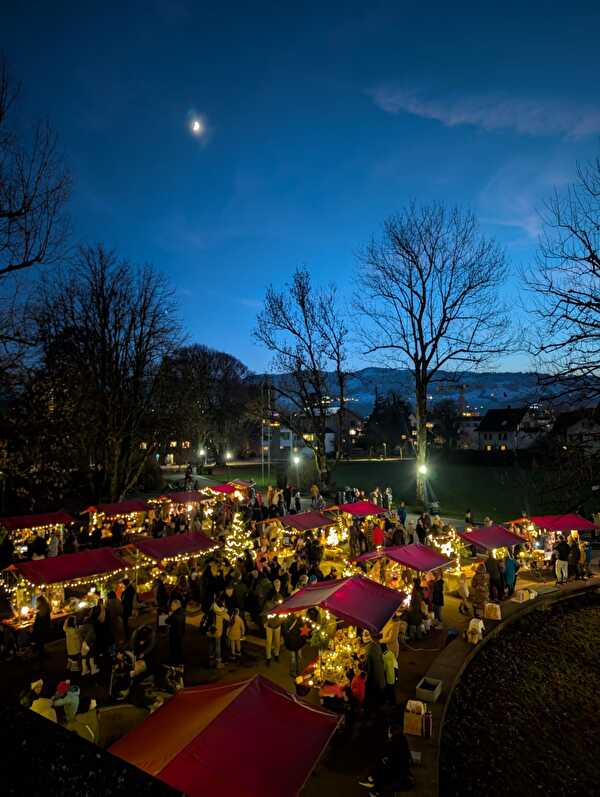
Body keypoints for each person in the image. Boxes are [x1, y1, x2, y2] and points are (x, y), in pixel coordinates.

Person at [358, 725, 414, 795]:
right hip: (403, 777)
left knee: (380, 763)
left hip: (399, 779)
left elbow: (388, 763)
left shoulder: (392, 745)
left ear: (390, 733)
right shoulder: (401, 743)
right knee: (381, 762)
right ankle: (372, 780)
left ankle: (373, 782)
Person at [364, 631, 386, 709]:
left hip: (375, 678)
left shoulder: (369, 649)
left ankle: (375, 709)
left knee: (375, 695)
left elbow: (369, 668)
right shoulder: (378, 647)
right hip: (380, 676)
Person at [262, 595, 283, 665]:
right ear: (274, 601)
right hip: (269, 626)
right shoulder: (268, 605)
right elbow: (264, 614)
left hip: (277, 625)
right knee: (269, 642)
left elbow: (283, 614)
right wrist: (265, 622)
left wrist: (281, 621)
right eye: (278, 602)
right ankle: (268, 657)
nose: (279, 603)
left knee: (277, 641)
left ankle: (276, 655)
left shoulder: (281, 605)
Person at [211, 595, 230, 668]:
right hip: (218, 630)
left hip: (210, 629)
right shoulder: (222, 611)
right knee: (217, 646)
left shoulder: (212, 606)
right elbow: (228, 618)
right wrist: (225, 608)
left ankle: (211, 661)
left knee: (211, 644)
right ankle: (218, 662)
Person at [166, 599, 186, 665]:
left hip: (174, 634)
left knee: (174, 648)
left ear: (175, 606)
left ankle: (174, 662)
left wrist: (171, 614)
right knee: (179, 647)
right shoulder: (183, 612)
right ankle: (180, 661)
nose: (171, 607)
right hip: (180, 633)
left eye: (172, 605)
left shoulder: (174, 615)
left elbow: (167, 621)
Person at [32, 595, 52, 659]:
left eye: (37, 602)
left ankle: (40, 654)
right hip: (46, 628)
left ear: (40, 602)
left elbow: (37, 623)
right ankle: (41, 652)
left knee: (38, 640)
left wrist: (32, 629)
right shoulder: (47, 607)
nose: (36, 603)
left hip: (40, 630)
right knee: (41, 641)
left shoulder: (40, 610)